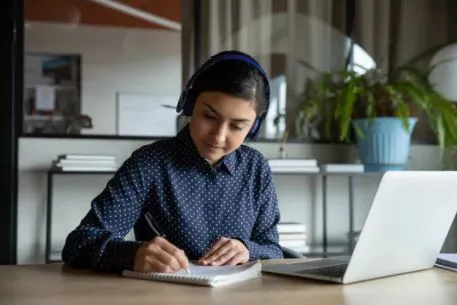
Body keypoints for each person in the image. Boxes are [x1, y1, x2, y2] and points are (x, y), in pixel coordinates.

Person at [61, 50, 284, 274]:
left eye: (237, 126)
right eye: (209, 116)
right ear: (189, 104)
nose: (218, 136)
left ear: (254, 127)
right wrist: (133, 254)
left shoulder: (256, 168)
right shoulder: (149, 164)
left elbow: (273, 250)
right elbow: (79, 244)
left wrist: (247, 250)